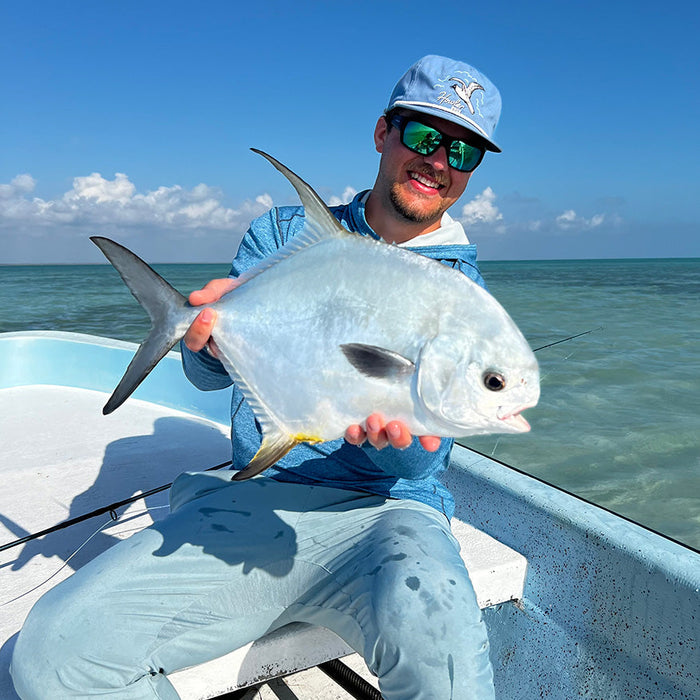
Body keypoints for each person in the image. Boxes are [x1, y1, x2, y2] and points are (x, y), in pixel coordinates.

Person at [11, 54, 502, 699]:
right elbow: (211, 377)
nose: (439, 161)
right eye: (424, 136)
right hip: (255, 497)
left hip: (390, 518)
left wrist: (409, 448)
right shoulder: (281, 232)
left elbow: (419, 467)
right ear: (384, 132)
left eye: (463, 150)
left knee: (450, 674)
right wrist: (209, 344)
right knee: (53, 655)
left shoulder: (463, 292)